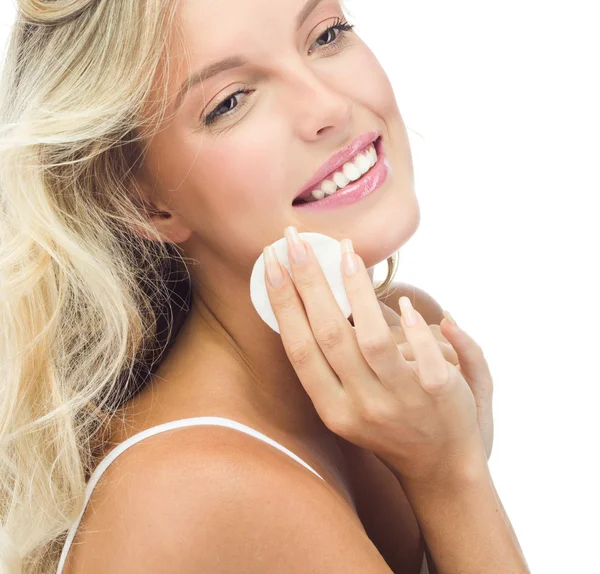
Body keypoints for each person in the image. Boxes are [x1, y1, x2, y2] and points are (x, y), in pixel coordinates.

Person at [0, 0, 529, 573]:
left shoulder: (397, 361)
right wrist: (452, 477)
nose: (327, 106)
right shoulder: (206, 490)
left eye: (326, 35)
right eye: (230, 101)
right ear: (142, 202)